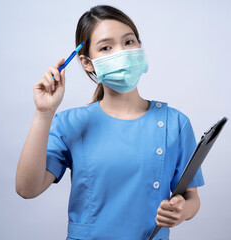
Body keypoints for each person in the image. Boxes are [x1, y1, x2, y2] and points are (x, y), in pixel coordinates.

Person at [15, 5, 204, 240]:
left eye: (129, 42)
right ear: (87, 62)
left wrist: (181, 211)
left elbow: (192, 198)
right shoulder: (70, 123)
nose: (122, 52)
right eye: (106, 47)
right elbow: (27, 189)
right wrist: (44, 113)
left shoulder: (176, 123)